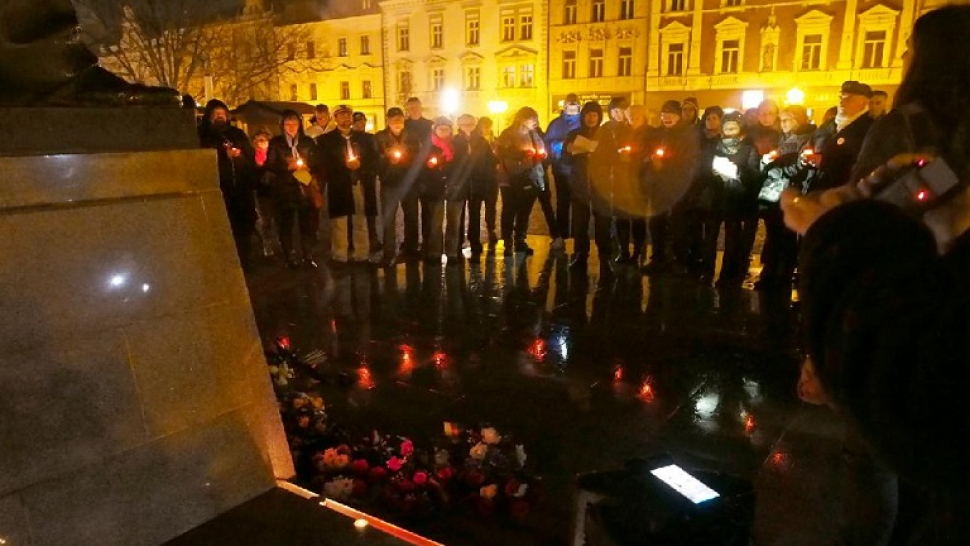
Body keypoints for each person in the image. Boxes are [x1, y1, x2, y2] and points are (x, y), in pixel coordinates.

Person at [781, 7, 970, 543]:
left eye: (910, 48)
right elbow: (922, 188)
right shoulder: (954, 139)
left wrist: (830, 222)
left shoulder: (910, 125)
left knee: (871, 456)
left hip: (902, 316)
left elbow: (877, 225)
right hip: (946, 323)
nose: (904, 58)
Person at [695, 111, 760, 287]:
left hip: (736, 198)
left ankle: (728, 274)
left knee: (732, 237)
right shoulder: (716, 146)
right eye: (727, 127)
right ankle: (706, 271)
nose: (730, 131)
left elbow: (754, 175)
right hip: (716, 196)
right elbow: (704, 169)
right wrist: (714, 172)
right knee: (710, 236)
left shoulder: (748, 148)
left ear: (741, 128)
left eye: (733, 127)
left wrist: (736, 172)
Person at [755, 106, 814, 290]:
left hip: (791, 192)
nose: (784, 124)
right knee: (773, 234)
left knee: (787, 235)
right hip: (774, 193)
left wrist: (777, 168)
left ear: (799, 120)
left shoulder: (807, 139)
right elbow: (766, 163)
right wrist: (765, 162)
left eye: (788, 120)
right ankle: (770, 271)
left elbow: (800, 167)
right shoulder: (780, 139)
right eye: (782, 120)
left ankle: (783, 274)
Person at [314, 105, 380, 264]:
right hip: (339, 183)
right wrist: (343, 166)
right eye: (341, 115)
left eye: (348, 115)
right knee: (340, 221)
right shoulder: (326, 140)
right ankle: (339, 254)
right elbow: (323, 163)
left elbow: (374, 159)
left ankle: (362, 253)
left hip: (360, 182)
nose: (346, 118)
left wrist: (360, 165)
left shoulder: (365, 138)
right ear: (335, 118)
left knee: (360, 219)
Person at [198, 99, 259, 268]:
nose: (220, 117)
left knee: (243, 229)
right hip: (218, 190)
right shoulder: (203, 137)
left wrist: (238, 157)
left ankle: (244, 260)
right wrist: (223, 158)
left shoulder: (238, 135)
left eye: (222, 114)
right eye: (216, 114)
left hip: (240, 191)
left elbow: (250, 161)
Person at [641, 100, 700, 274]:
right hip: (659, 186)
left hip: (677, 186)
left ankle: (679, 260)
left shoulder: (687, 134)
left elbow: (690, 161)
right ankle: (658, 257)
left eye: (671, 114)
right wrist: (650, 160)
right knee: (656, 222)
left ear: (679, 116)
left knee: (678, 224)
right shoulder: (659, 133)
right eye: (664, 114)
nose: (667, 117)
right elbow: (648, 152)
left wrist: (666, 162)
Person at [563, 101, 612, 277]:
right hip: (580, 185)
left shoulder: (606, 134)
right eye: (588, 115)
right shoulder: (574, 134)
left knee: (603, 224)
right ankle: (580, 256)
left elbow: (613, 158)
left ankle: (605, 258)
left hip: (601, 186)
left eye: (594, 115)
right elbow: (565, 160)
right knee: (579, 224)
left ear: (599, 117)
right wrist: (569, 151)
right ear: (583, 117)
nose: (591, 118)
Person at [266, 109, 319, 267]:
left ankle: (307, 255)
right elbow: (270, 165)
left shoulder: (307, 142)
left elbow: (316, 161)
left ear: (299, 125)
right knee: (286, 224)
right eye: (287, 124)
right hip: (284, 188)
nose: (291, 127)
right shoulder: (276, 143)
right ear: (282, 126)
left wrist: (309, 167)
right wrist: (286, 167)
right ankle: (290, 256)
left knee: (306, 224)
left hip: (303, 187)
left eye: (294, 124)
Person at [804, 81, 876, 193]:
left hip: (842, 193)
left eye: (849, 98)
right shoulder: (828, 125)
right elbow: (809, 146)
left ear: (864, 103)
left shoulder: (869, 128)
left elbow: (864, 165)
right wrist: (804, 158)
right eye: (841, 97)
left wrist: (824, 163)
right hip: (816, 188)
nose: (842, 102)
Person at [496, 107, 546, 256]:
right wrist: (522, 156)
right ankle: (508, 241)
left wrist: (540, 155)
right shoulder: (508, 134)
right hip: (510, 178)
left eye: (536, 119)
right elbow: (501, 153)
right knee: (509, 209)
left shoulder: (533, 133)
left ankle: (520, 240)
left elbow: (541, 148)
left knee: (525, 210)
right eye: (532, 119)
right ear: (522, 119)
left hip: (530, 176)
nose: (535, 122)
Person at [375, 107, 420, 265]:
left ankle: (411, 250)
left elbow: (418, 156)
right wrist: (387, 159)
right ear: (388, 120)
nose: (397, 123)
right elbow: (375, 159)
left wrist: (406, 156)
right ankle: (388, 253)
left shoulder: (412, 136)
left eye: (400, 119)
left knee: (412, 217)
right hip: (390, 182)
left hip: (409, 182)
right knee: (388, 219)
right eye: (394, 120)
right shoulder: (380, 137)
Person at [454, 114, 498, 262]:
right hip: (461, 183)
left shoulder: (481, 141)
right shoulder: (455, 141)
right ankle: (458, 242)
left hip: (477, 182)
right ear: (459, 125)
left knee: (475, 214)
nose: (467, 127)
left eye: (470, 124)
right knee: (458, 215)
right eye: (464, 124)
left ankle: (474, 242)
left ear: (474, 125)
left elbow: (489, 161)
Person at [545, 94, 582, 249]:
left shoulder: (583, 122)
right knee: (562, 203)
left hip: (579, 170)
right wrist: (559, 146)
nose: (572, 110)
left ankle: (578, 235)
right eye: (569, 107)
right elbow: (547, 142)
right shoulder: (556, 124)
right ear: (564, 107)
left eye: (575, 107)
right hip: (560, 169)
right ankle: (562, 234)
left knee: (580, 204)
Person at [419, 117, 456, 263]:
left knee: (453, 222)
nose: (443, 132)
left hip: (453, 187)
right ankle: (435, 252)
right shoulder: (427, 146)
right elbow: (420, 167)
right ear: (435, 130)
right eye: (440, 129)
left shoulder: (456, 145)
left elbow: (461, 164)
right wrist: (429, 167)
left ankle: (452, 251)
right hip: (434, 188)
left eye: (446, 129)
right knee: (435, 222)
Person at [252, 126, 278, 258]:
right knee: (265, 218)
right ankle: (266, 243)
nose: (262, 141)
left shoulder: (273, 155)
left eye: (265, 139)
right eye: (259, 139)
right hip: (261, 191)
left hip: (275, 190)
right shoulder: (251, 155)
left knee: (277, 217)